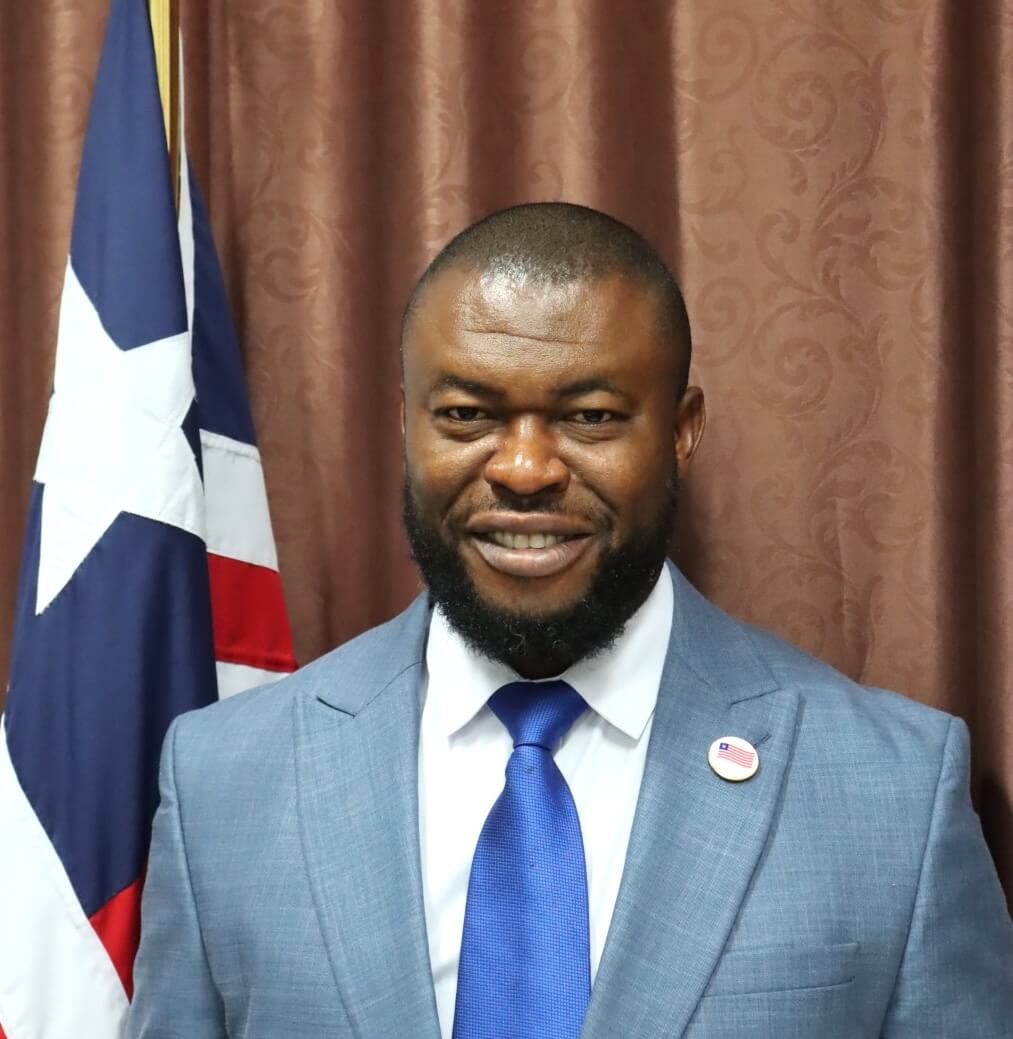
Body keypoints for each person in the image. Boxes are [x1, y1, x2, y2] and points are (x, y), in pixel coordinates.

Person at [128, 202, 1013, 1039]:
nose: (520, 467)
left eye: (589, 416)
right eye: (467, 415)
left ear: (680, 431)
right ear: (407, 426)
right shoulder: (224, 781)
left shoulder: (892, 791)